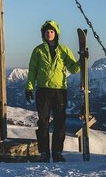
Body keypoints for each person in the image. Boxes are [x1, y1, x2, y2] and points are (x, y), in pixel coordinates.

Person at [25, 20, 86, 163]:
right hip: (43, 91)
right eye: (46, 31)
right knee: (43, 123)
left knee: (60, 123)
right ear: (43, 34)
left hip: (59, 91)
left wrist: (82, 59)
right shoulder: (38, 50)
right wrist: (29, 87)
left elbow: (73, 68)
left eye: (51, 31)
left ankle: (57, 152)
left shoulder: (64, 50)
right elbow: (32, 70)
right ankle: (44, 153)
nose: (49, 34)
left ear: (56, 33)